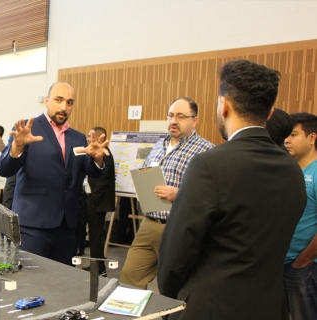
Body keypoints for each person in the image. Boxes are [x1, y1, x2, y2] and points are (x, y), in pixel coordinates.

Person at [157, 59, 307, 320]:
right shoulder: (293, 171)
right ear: (270, 112)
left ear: (223, 105)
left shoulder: (210, 164)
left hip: (211, 306)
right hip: (270, 307)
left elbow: (175, 255)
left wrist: (173, 296)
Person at [0, 81, 108, 265]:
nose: (64, 107)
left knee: (61, 283)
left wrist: (98, 159)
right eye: (59, 100)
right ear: (47, 100)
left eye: (70, 102)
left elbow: (92, 172)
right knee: (30, 281)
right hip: (32, 224)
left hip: (66, 227)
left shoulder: (78, 137)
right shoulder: (27, 129)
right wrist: (17, 146)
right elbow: (4, 169)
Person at [120, 97, 214, 288]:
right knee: (130, 275)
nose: (173, 121)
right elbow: (146, 172)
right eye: (171, 115)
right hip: (148, 223)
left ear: (194, 120)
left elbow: (210, 196)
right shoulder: (158, 145)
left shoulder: (206, 150)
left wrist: (178, 195)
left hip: (178, 226)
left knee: (173, 285)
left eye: (180, 116)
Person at [283, 112, 317, 320]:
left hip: (304, 268)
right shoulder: (289, 170)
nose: (286, 140)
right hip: (280, 263)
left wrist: (303, 262)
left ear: (312, 138)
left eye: (294, 134)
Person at [85, 126, 116, 277]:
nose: (88, 139)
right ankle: (95, 266)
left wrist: (93, 201)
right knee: (93, 236)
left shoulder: (106, 154)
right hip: (92, 200)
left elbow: (103, 180)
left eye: (90, 136)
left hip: (97, 202)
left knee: (96, 237)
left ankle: (99, 269)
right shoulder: (94, 154)